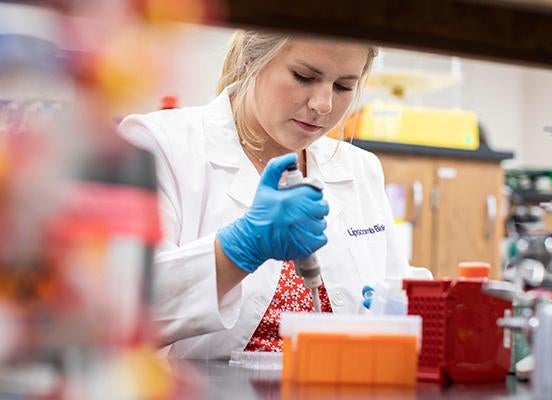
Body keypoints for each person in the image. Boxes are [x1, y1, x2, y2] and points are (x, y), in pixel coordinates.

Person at [119, 31, 427, 359]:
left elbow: (400, 291)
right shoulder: (159, 145)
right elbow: (117, 309)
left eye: (343, 86)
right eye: (304, 77)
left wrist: (402, 307)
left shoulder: (361, 169)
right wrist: (237, 250)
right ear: (252, 60)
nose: (322, 104)